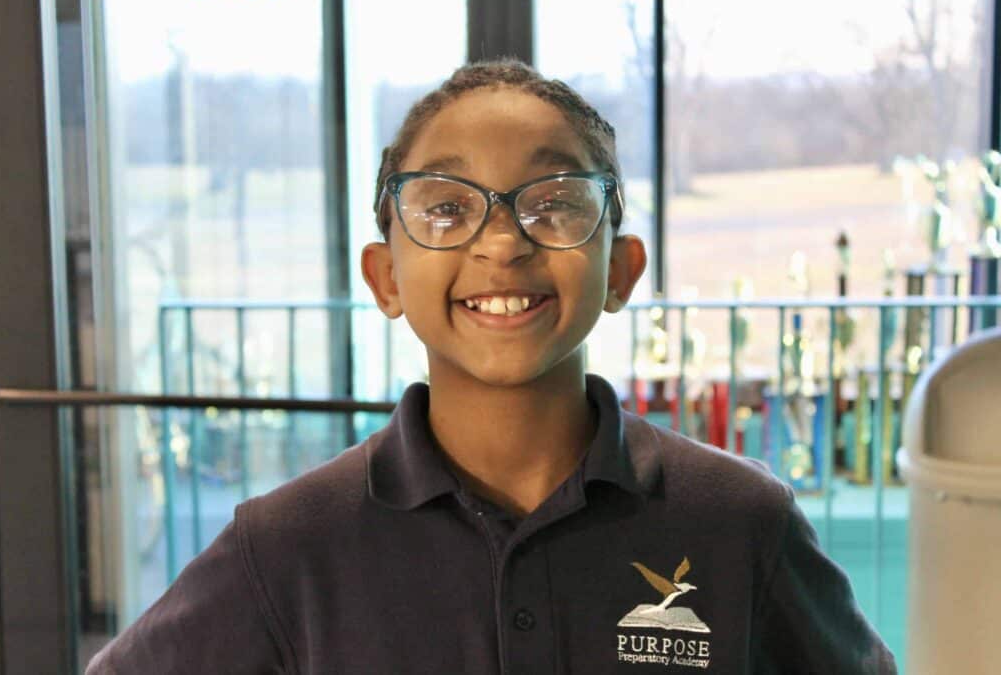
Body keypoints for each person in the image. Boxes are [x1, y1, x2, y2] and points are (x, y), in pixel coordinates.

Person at [87, 59, 896, 674]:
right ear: (387, 276)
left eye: (553, 202)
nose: (503, 242)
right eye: (445, 206)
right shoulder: (290, 544)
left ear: (620, 269)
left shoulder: (739, 519)